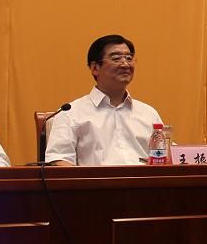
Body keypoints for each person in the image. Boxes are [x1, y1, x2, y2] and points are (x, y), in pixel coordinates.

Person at [45, 35, 163, 166]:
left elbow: (167, 154)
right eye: (116, 58)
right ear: (95, 68)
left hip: (145, 179)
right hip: (95, 179)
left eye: (129, 58)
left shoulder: (148, 113)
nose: (125, 64)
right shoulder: (70, 113)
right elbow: (59, 159)